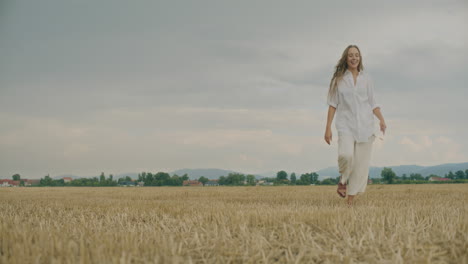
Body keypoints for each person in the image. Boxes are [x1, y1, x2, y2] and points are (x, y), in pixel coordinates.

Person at [324, 44, 387, 207]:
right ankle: (343, 179)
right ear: (346, 58)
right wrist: (328, 127)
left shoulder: (366, 78)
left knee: (360, 166)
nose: (354, 58)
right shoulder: (338, 79)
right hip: (345, 125)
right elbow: (332, 104)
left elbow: (373, 102)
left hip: (366, 126)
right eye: (351, 55)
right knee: (346, 155)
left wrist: (381, 119)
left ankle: (350, 202)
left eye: (357, 55)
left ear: (360, 58)